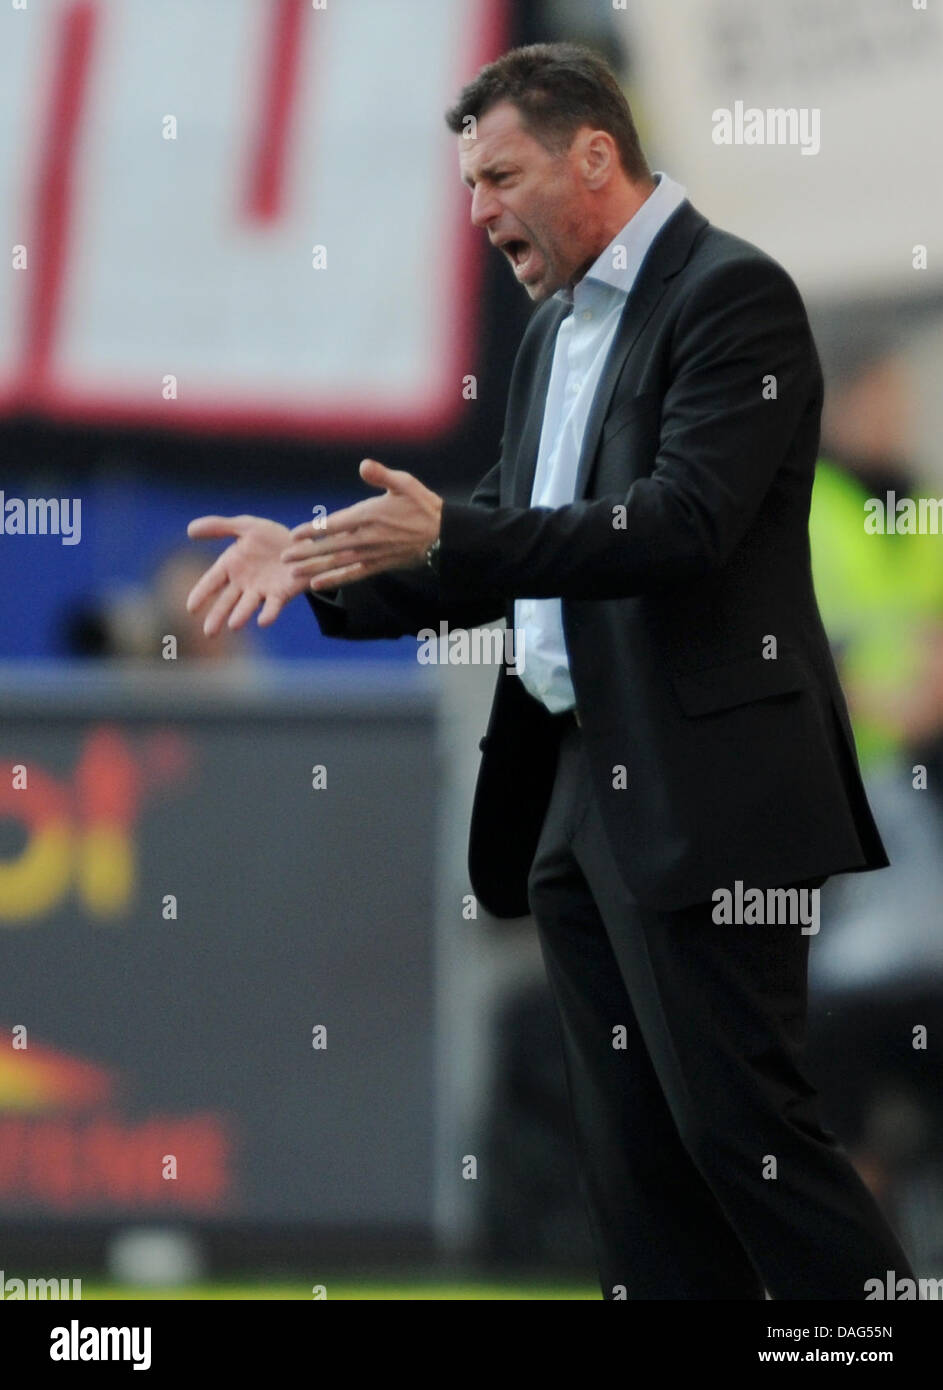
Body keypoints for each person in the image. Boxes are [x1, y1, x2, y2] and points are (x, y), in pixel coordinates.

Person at [186, 43, 915, 1299]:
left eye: (500, 175)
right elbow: (507, 534)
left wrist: (456, 532)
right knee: (631, 1165)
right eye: (469, 186)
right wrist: (319, 564)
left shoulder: (733, 296)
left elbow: (678, 522)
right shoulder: (551, 331)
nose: (478, 212)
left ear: (594, 154)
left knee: (745, 1138)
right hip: (578, 786)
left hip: (707, 783)